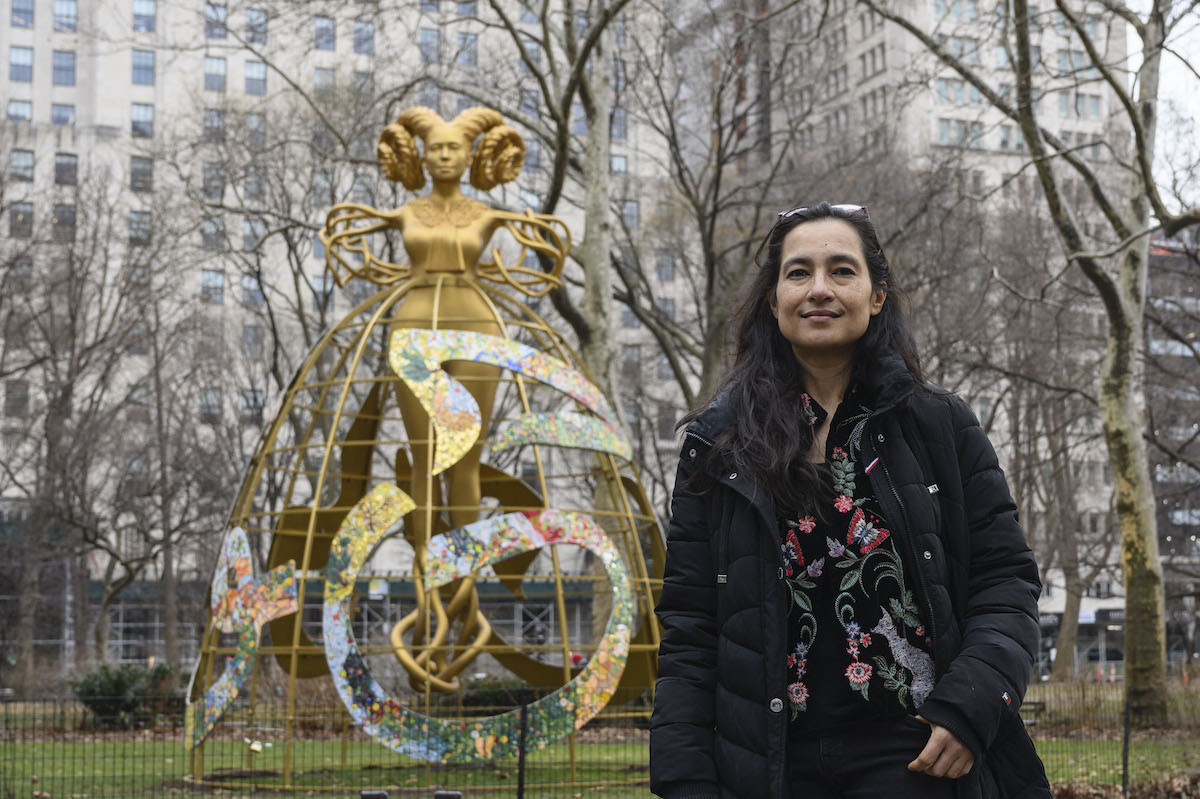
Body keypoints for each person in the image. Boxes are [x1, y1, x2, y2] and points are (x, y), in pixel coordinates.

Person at [650, 203, 1050, 799]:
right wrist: (683, 777)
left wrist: (970, 705)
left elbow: (1005, 581)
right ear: (772, 297)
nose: (819, 290)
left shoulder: (941, 425)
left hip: (915, 755)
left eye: (842, 271)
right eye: (797, 272)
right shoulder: (718, 445)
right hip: (768, 765)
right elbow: (690, 627)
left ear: (877, 295)